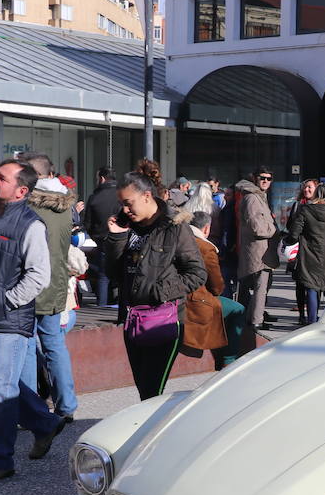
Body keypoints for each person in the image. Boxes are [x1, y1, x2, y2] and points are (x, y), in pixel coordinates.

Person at [0, 160, 65, 485]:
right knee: (2, 384)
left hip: (8, 320)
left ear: (21, 190)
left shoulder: (31, 225)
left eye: (1, 178)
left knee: (0, 390)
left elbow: (39, 276)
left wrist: (6, 300)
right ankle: (45, 424)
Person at [101, 172, 207, 400]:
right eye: (121, 204)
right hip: (133, 317)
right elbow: (113, 273)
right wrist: (117, 238)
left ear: (147, 196)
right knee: (143, 388)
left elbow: (197, 273)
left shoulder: (174, 228)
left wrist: (160, 292)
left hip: (164, 319)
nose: (125, 209)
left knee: (152, 390)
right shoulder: (125, 225)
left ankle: (153, 433)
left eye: (128, 203)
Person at [20, 154, 80, 422]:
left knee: (26, 346)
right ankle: (66, 405)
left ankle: (32, 410)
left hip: (29, 283)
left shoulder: (28, 207)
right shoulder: (66, 206)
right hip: (56, 283)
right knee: (54, 344)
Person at [183, 210, 243, 368]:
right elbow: (216, 287)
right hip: (196, 301)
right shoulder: (206, 247)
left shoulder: (180, 240)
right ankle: (229, 360)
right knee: (237, 309)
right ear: (206, 228)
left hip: (177, 296)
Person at [288, 181, 325, 326]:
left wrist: (288, 242)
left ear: (316, 194)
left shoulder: (306, 210)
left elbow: (294, 233)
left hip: (310, 254)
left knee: (312, 287)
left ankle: (312, 322)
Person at [234, 167, 276, 330]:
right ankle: (255, 321)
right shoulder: (252, 197)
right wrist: (274, 230)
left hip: (260, 250)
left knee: (258, 286)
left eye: (269, 178)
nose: (265, 181)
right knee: (260, 287)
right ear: (255, 178)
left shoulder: (258, 196)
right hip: (257, 251)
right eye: (262, 178)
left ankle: (252, 318)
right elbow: (256, 226)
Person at [82, 166, 120, 306]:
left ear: (102, 179)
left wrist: (95, 237)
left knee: (103, 276)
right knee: (121, 274)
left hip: (102, 240)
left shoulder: (94, 197)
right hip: (121, 239)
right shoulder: (122, 195)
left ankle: (102, 306)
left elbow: (87, 223)